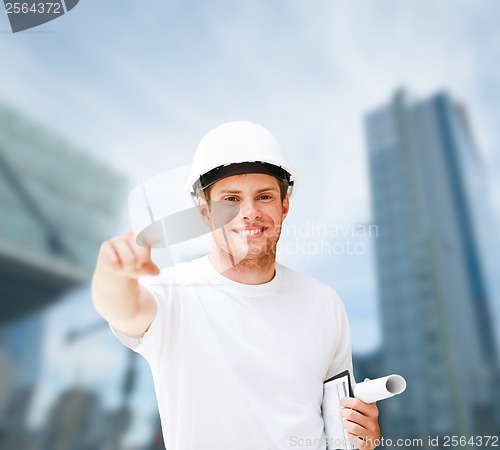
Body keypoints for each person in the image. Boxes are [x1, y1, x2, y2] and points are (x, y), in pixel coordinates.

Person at [92, 121, 380, 450]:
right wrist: (112, 271)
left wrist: (361, 440)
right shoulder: (174, 292)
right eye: (230, 199)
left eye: (265, 197)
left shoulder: (324, 303)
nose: (249, 213)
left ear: (284, 206)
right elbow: (122, 309)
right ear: (205, 213)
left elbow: (338, 432)